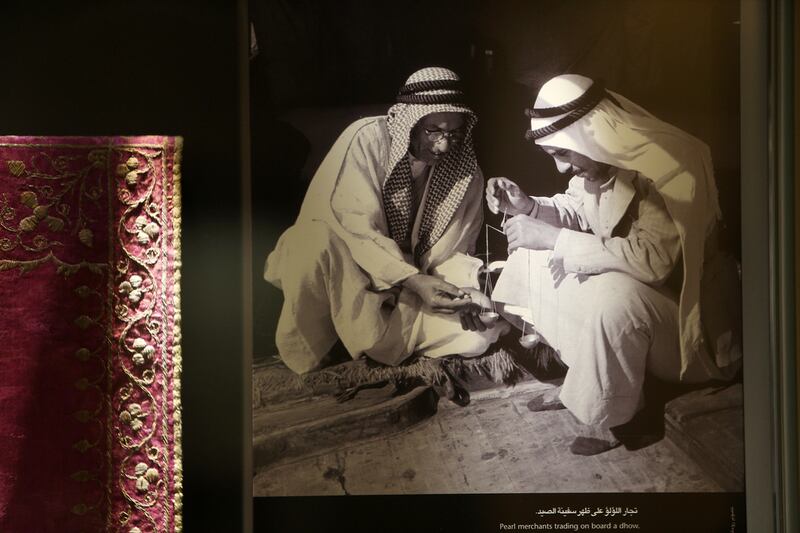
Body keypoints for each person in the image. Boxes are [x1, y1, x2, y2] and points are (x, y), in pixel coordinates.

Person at [487, 74, 742, 455]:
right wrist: (529, 207)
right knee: (530, 256)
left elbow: (653, 261)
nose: (562, 168)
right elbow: (579, 208)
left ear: (588, 135)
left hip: (692, 335)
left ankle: (610, 415)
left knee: (614, 293)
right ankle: (587, 382)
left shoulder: (673, 168)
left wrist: (555, 239)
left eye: (563, 154)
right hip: (645, 318)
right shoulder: (602, 161)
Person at [265, 67, 505, 376]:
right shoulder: (367, 140)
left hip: (412, 295)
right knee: (310, 240)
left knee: (479, 335)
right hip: (350, 274)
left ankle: (372, 344)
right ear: (411, 123)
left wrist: (463, 294)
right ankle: (319, 348)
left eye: (454, 134)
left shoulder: (465, 172)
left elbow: (457, 250)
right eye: (433, 130)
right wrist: (412, 279)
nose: (444, 146)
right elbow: (352, 227)